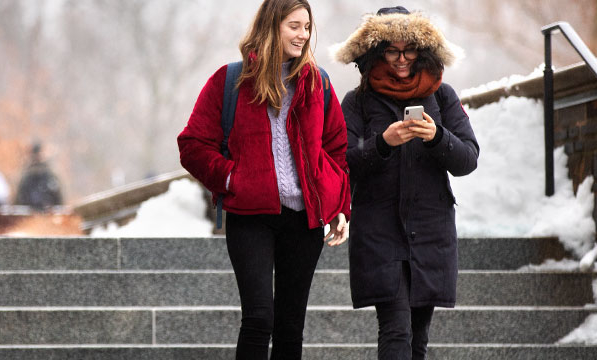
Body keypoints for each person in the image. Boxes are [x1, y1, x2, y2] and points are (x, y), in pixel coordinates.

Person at [177, 0, 350, 358]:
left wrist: (337, 204)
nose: (303, 35)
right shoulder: (230, 81)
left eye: (307, 27)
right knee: (258, 318)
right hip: (249, 218)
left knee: (290, 326)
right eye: (294, 26)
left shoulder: (318, 84)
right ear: (272, 26)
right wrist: (231, 180)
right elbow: (192, 145)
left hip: (303, 222)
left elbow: (337, 150)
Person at [331, 6, 478, 360]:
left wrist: (436, 136)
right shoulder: (358, 101)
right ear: (376, 51)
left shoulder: (442, 96)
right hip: (380, 232)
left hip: (430, 231)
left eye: (408, 50)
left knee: (418, 337)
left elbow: (468, 158)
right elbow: (342, 162)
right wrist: (383, 142)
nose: (401, 60)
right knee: (395, 330)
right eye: (391, 51)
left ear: (422, 50)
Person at [13, 141, 64, 212]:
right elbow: (19, 201)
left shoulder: (50, 176)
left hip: (48, 216)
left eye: (38, 154)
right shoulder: (26, 177)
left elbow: (59, 201)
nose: (37, 157)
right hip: (30, 217)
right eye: (35, 154)